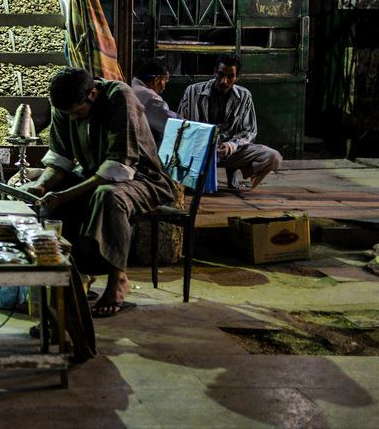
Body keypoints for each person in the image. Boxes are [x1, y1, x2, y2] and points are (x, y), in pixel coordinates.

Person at [20, 67, 176, 318]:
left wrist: (64, 196)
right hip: (96, 173)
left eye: (77, 113)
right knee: (60, 191)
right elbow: (60, 161)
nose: (72, 119)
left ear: (92, 95)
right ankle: (77, 273)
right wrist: (42, 186)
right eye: (67, 114)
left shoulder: (119, 98)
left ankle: (118, 280)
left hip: (142, 179)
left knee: (108, 196)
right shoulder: (63, 106)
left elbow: (118, 167)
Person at [177, 54, 282, 192]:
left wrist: (231, 145)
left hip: (230, 152)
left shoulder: (245, 96)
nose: (224, 81)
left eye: (230, 77)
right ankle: (197, 175)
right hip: (199, 151)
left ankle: (232, 171)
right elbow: (180, 125)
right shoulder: (192, 92)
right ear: (215, 72)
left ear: (236, 77)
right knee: (198, 188)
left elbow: (249, 131)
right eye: (220, 75)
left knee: (273, 157)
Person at [131, 57, 179, 143]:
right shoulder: (150, 98)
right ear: (156, 80)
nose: (164, 87)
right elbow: (173, 125)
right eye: (165, 82)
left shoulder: (132, 85)